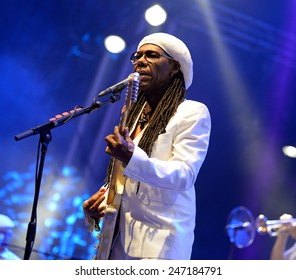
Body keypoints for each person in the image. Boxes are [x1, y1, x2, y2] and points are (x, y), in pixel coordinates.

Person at [82, 32, 211, 259]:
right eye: (138, 56)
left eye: (152, 55)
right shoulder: (133, 115)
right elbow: (126, 181)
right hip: (119, 241)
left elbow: (184, 174)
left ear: (174, 68)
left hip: (160, 245)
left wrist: (132, 157)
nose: (140, 61)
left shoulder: (192, 112)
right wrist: (100, 203)